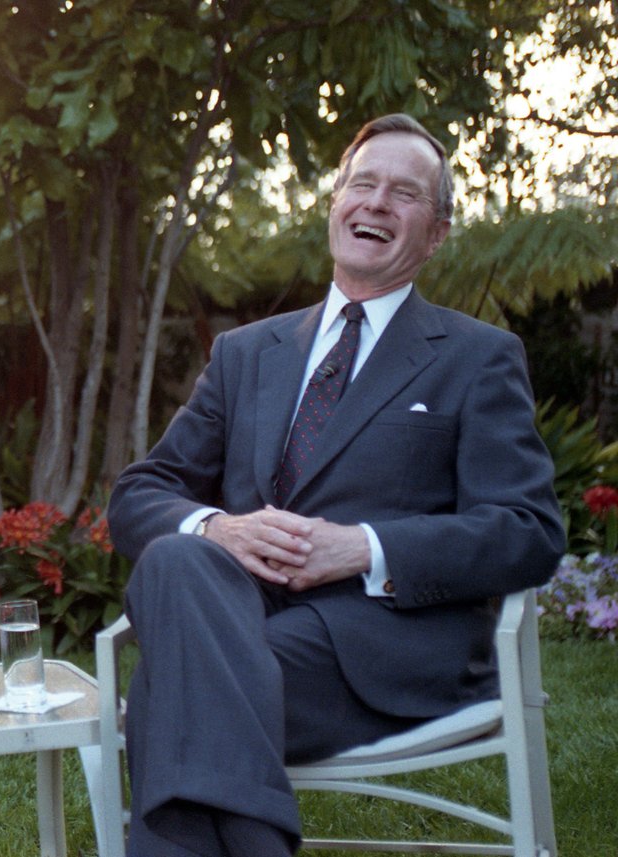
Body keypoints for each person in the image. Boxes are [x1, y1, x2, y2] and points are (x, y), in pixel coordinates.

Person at [106, 114, 565, 856]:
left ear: (437, 232)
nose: (377, 203)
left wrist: (363, 547)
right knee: (176, 555)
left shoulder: (478, 357)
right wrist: (219, 527)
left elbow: (527, 530)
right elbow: (140, 492)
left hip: (379, 645)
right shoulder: (245, 353)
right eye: (363, 183)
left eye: (405, 194)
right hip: (245, 623)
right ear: (335, 204)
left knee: (176, 690)